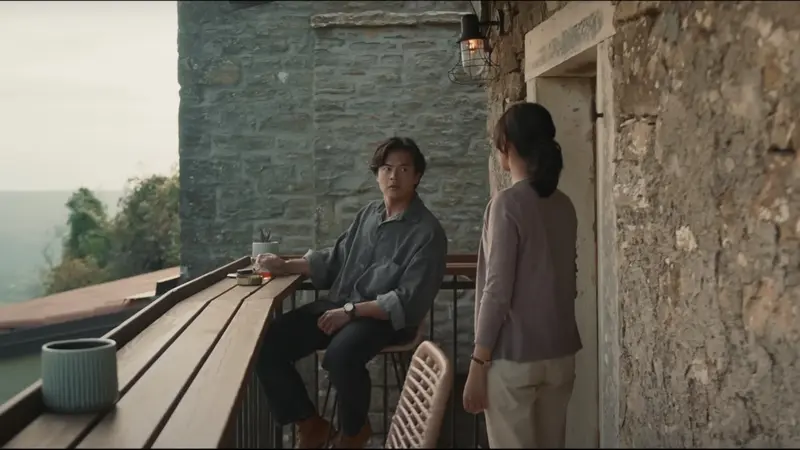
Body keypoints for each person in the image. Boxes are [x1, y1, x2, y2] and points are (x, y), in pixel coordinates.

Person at [254, 137, 448, 449]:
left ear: (417, 176)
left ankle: (354, 431)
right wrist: (285, 265)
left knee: (340, 355)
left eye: (403, 169)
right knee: (267, 343)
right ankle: (310, 423)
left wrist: (351, 313)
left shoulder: (428, 232)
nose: (393, 176)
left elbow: (408, 300)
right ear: (377, 174)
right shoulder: (368, 215)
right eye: (386, 168)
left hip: (384, 319)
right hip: (341, 305)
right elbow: (334, 259)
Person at [462, 102, 582, 448]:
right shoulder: (564, 204)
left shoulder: (506, 204)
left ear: (508, 146)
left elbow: (497, 290)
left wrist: (478, 361)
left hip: (513, 359)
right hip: (560, 355)